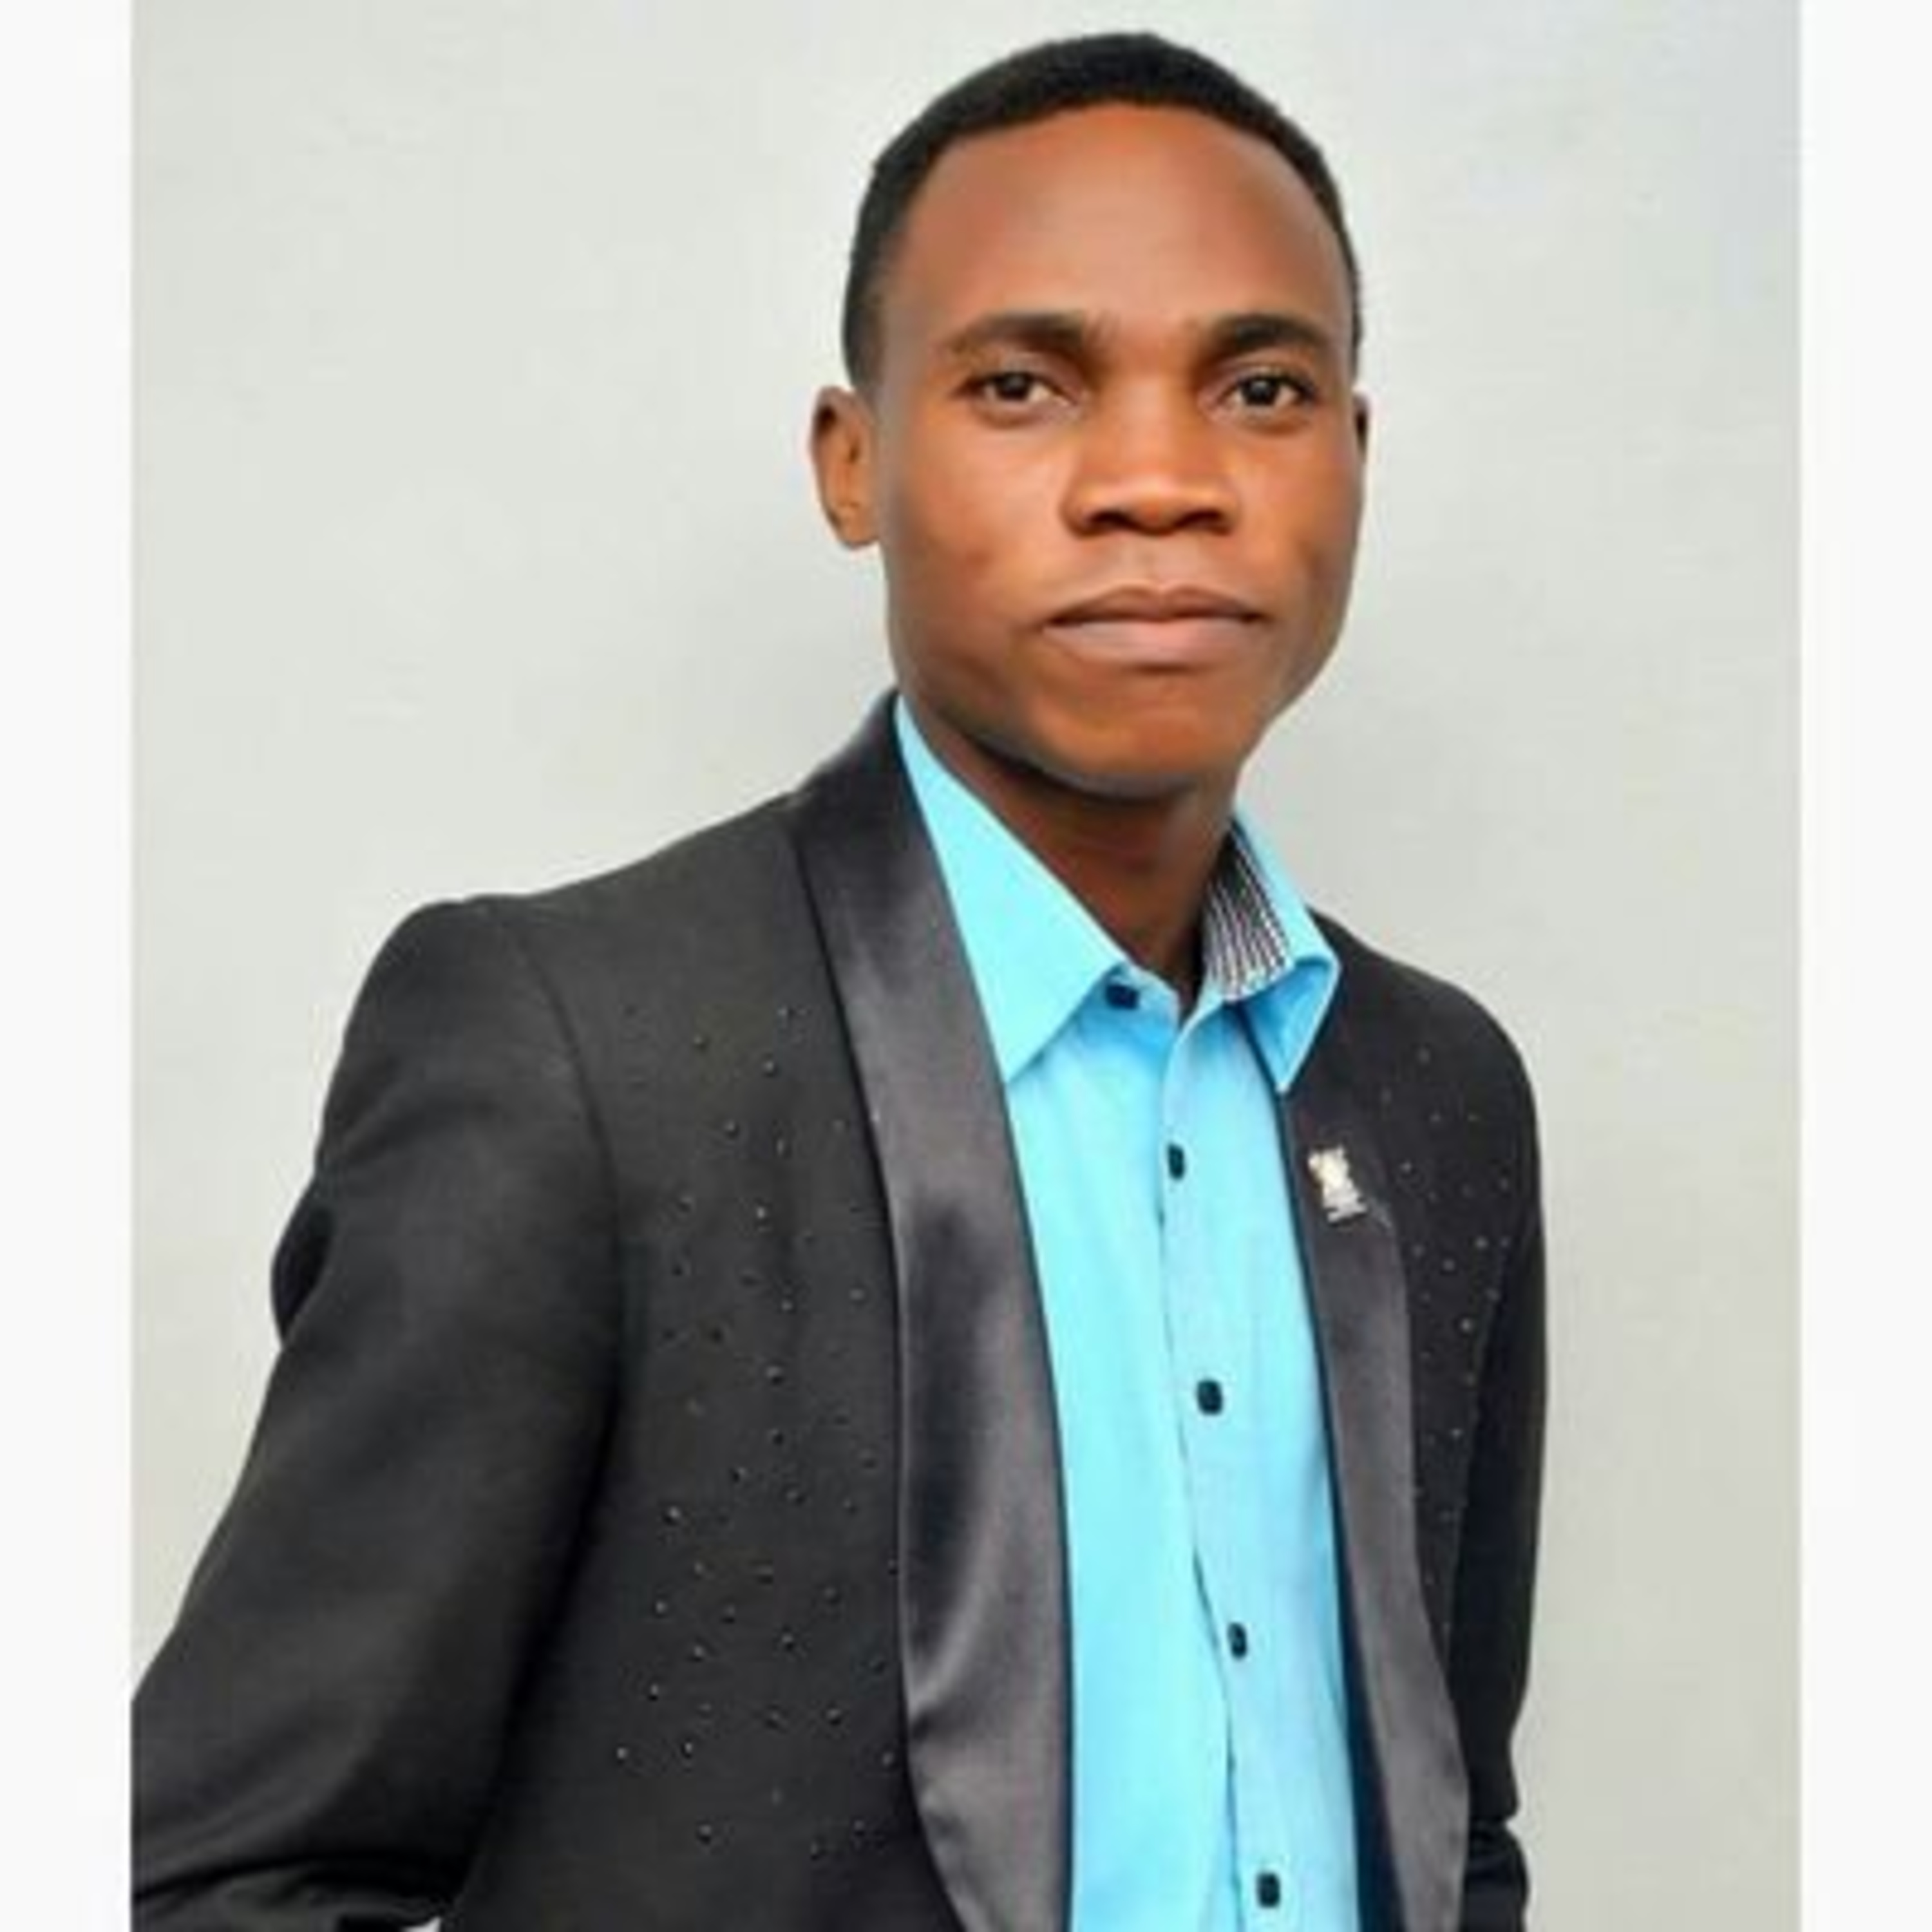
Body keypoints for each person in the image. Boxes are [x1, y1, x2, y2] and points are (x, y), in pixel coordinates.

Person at [135, 30, 1546, 1932]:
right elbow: (220, 1878)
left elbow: (1452, 1828)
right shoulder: (577, 1054)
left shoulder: (1437, 1093)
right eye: (1024, 384)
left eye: (1262, 387)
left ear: (1354, 457)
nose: (1159, 480)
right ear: (853, 460)